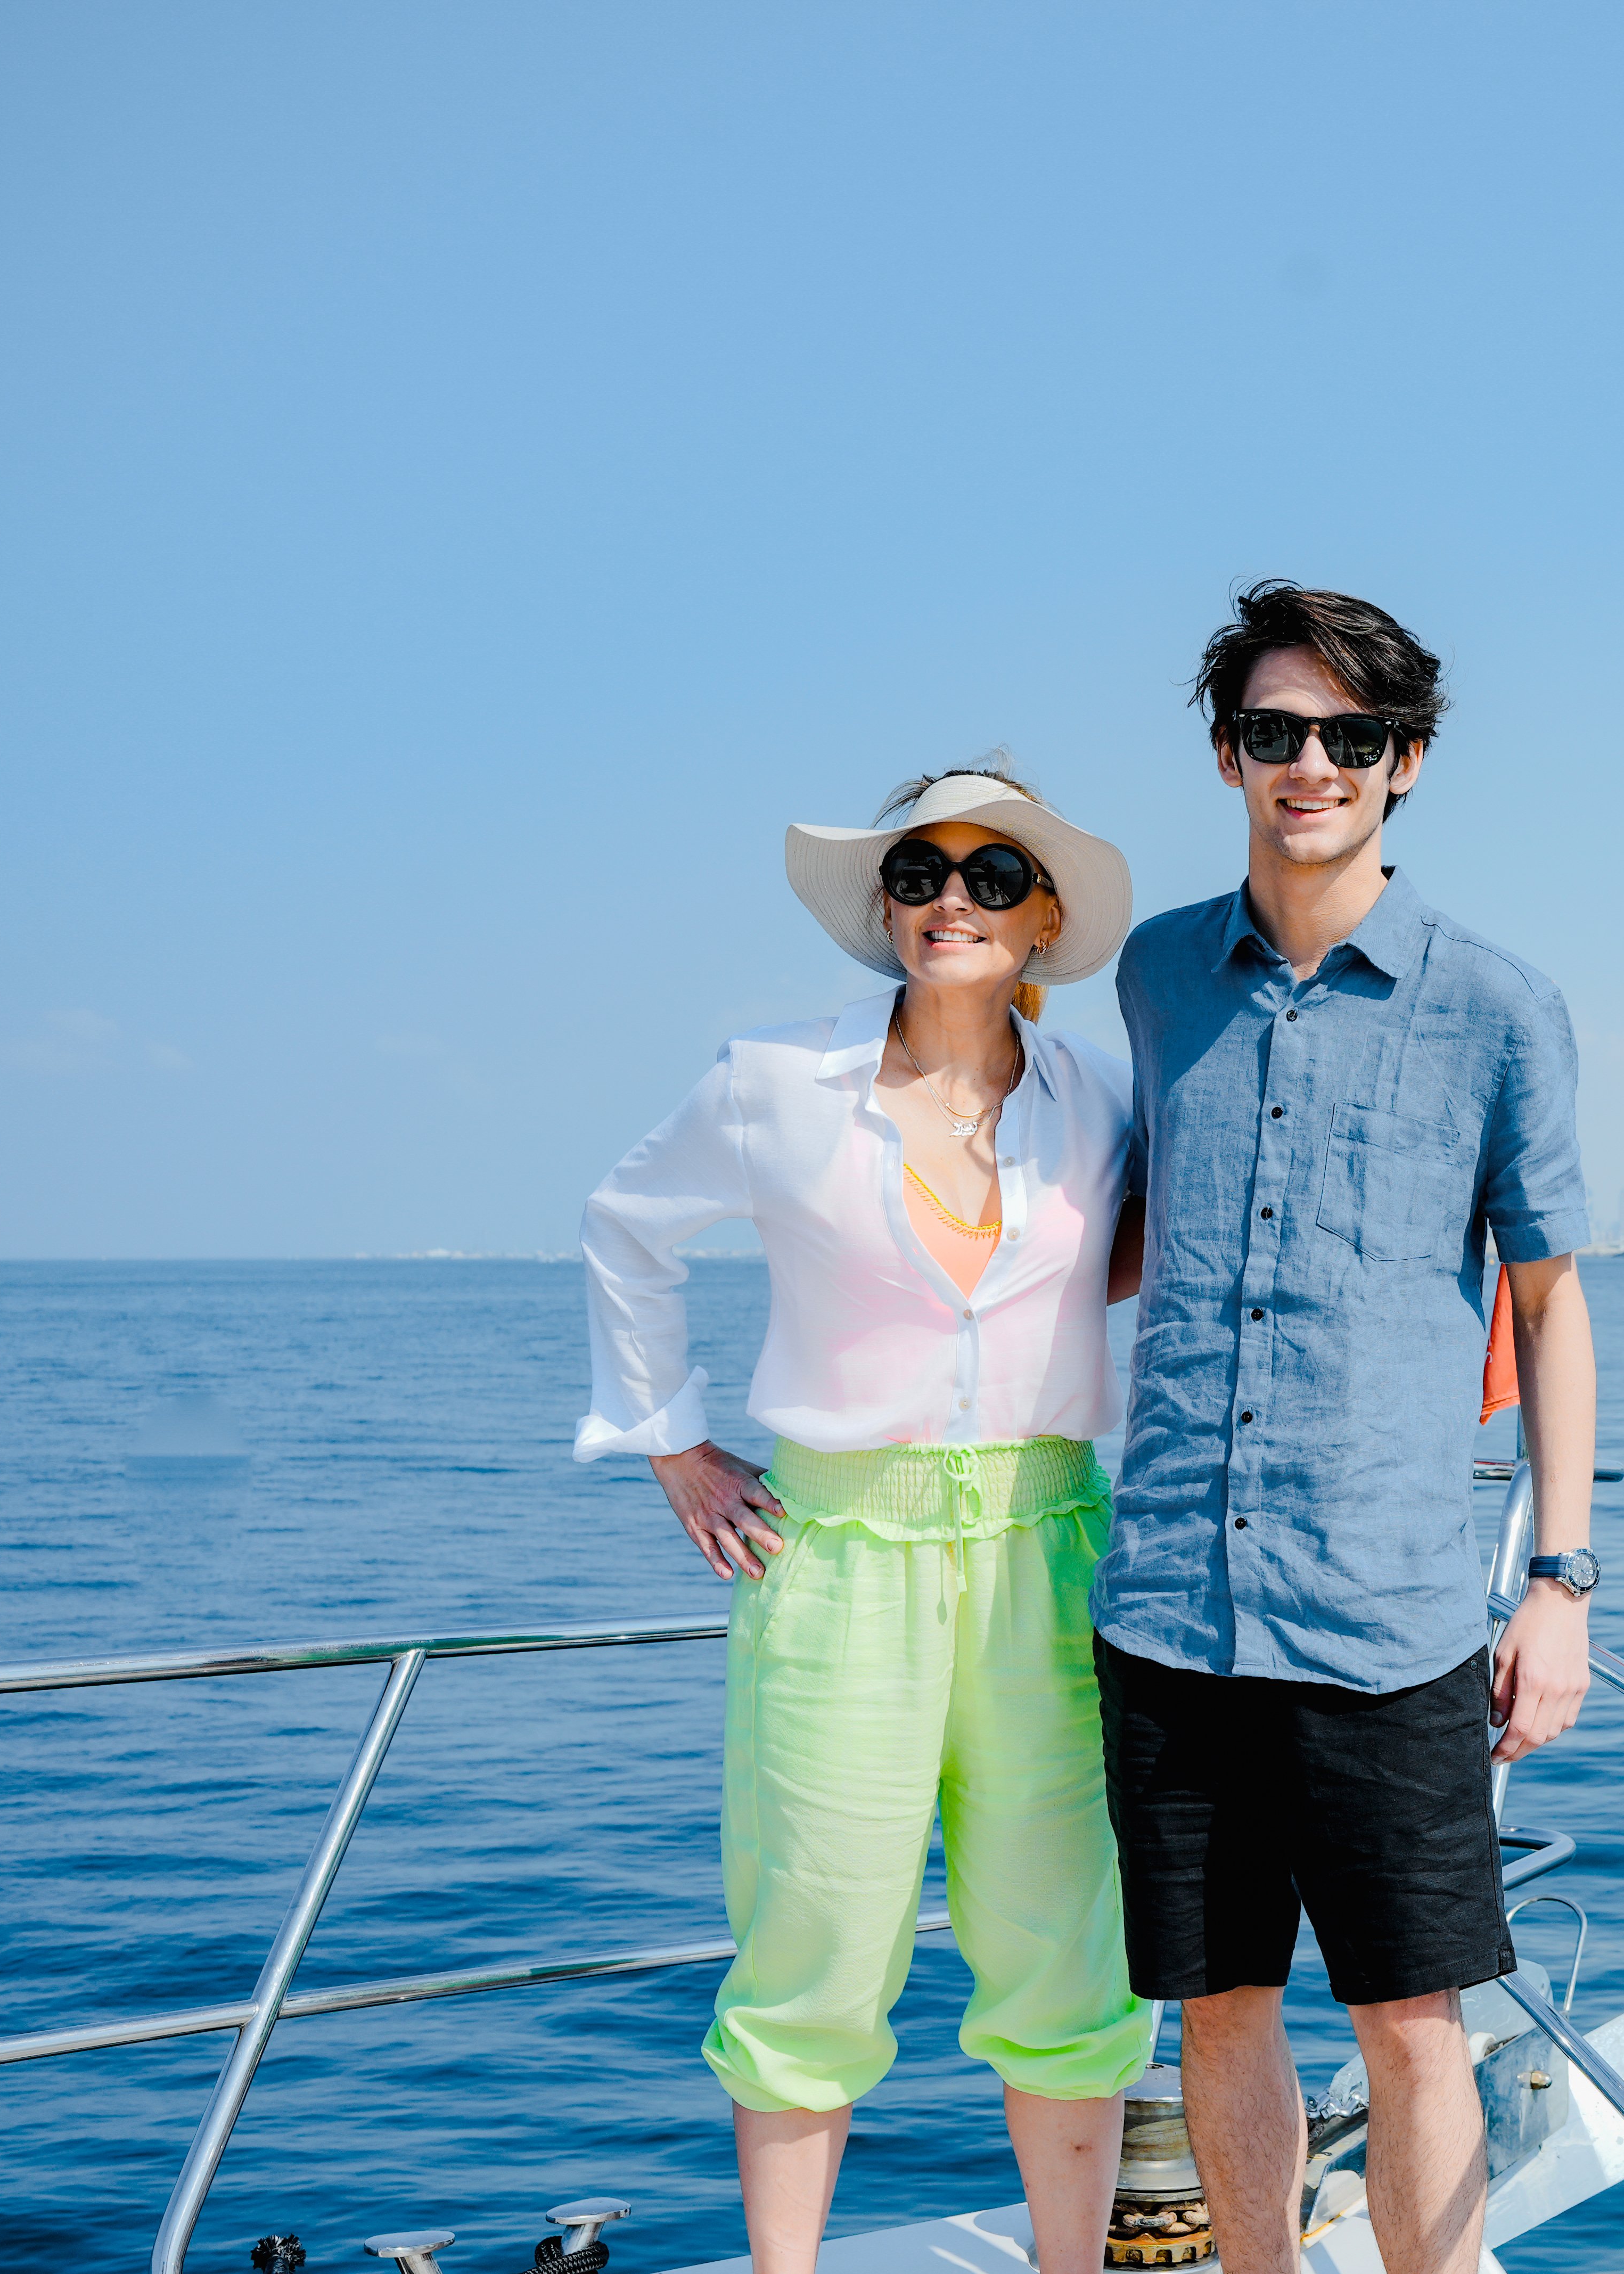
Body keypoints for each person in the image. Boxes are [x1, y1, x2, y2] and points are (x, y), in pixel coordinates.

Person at [575, 764, 1153, 2274]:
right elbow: (625, 1229)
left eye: (988, 875)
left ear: (1045, 918)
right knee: (814, 1949)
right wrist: (673, 1449)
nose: (947, 899)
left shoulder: (1102, 1095)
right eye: (918, 873)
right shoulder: (774, 1081)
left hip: (1053, 1549)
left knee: (1066, 1955)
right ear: (886, 908)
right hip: (834, 1557)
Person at [1093, 583, 1601, 2274]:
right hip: (1166, 1603)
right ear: (1227, 751)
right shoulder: (1158, 973)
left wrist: (1559, 1583)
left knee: (1411, 2024)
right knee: (1219, 2011)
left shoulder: (1499, 1005)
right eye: (1273, 732)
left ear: (1407, 762)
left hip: (1383, 1614)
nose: (1308, 764)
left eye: (1349, 736)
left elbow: (1547, 1304)